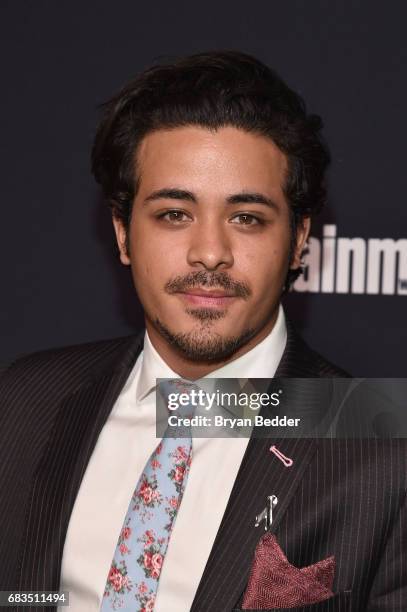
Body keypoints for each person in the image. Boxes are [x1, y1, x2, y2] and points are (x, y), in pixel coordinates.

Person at [0, 51, 405, 612]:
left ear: (297, 241)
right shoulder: (23, 401)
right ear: (122, 233)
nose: (210, 252)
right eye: (173, 214)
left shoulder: (383, 452)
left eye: (247, 218)